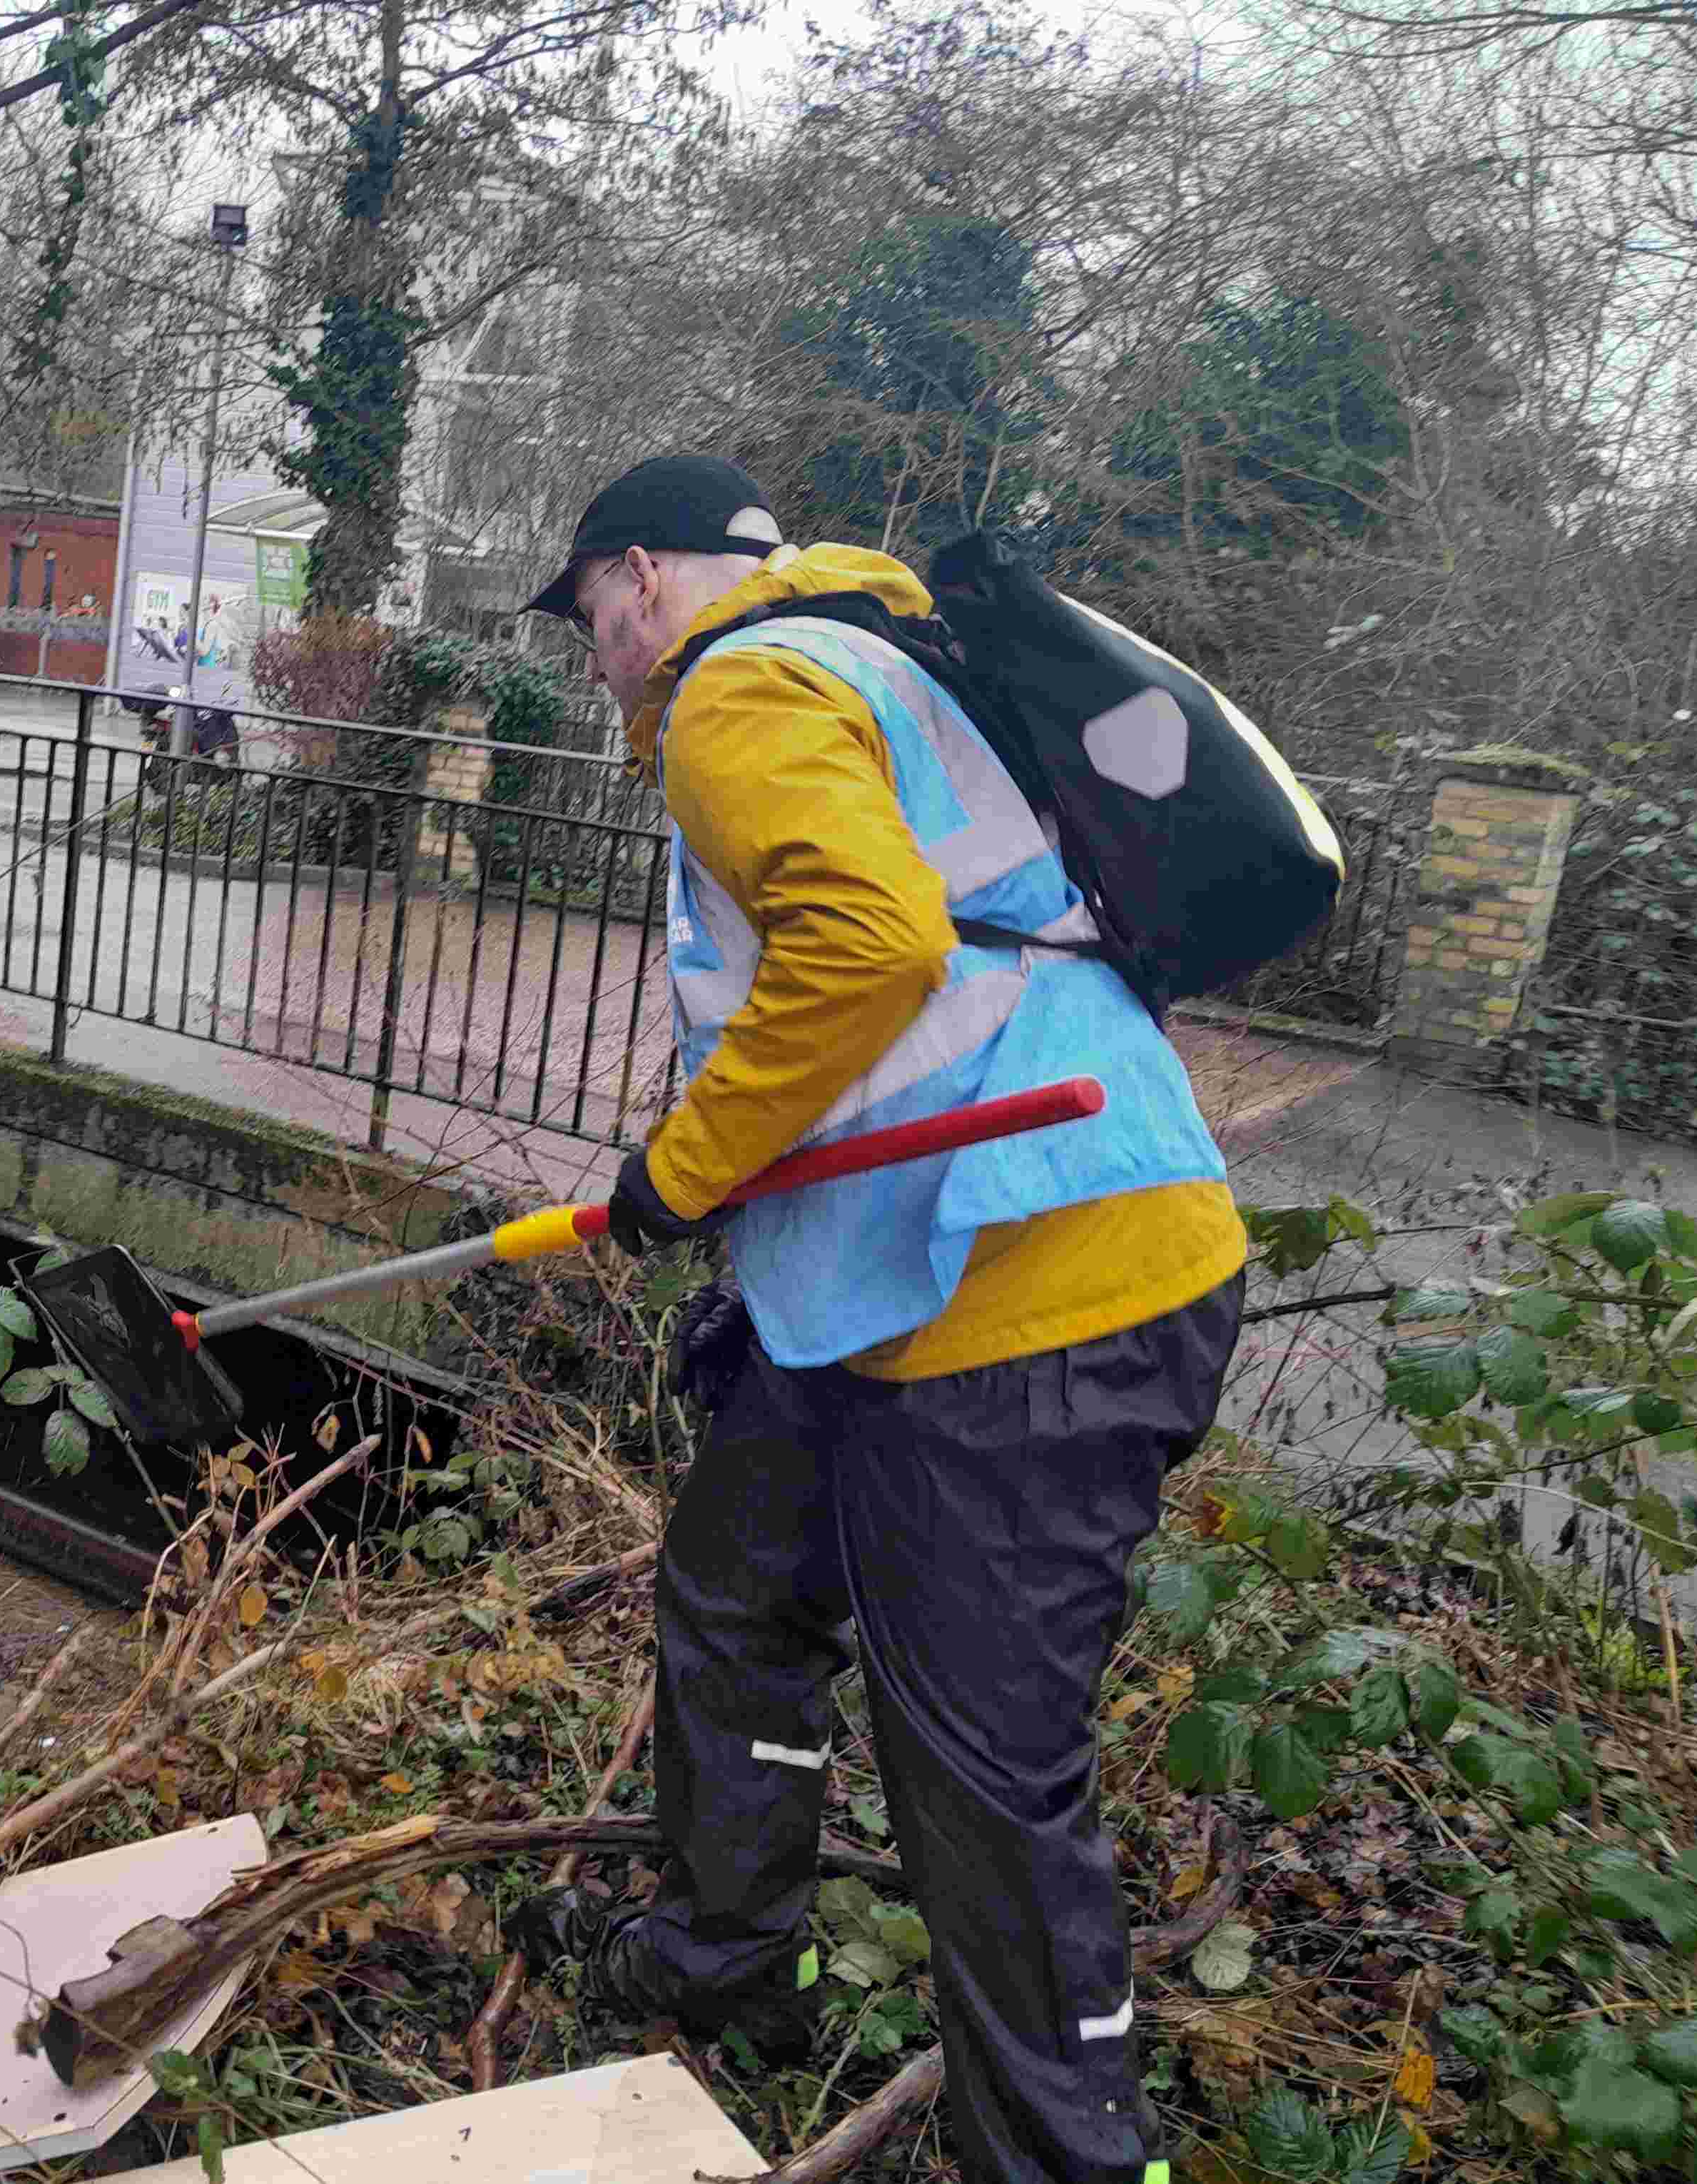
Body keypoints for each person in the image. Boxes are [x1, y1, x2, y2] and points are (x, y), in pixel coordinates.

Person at [506, 456, 1245, 2184]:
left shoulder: (741, 683)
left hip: (1033, 1285)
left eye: (589, 615)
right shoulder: (870, 655)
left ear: (636, 572)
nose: (592, 653)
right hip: (896, 1282)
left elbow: (865, 946)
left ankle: (1061, 2161)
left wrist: (676, 1175)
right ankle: (721, 1959)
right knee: (739, 1584)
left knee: (979, 1767)